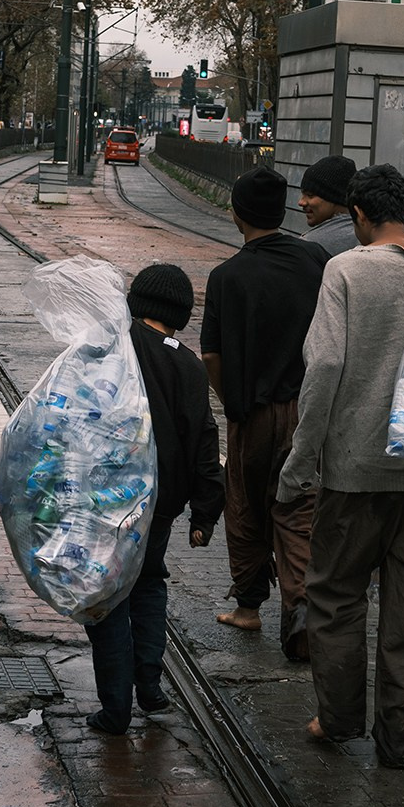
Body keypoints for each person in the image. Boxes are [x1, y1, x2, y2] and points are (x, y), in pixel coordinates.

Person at [278, 164, 404, 769]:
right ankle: (400, 736)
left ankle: (339, 717)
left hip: (356, 467)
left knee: (335, 594)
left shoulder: (347, 270)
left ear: (358, 214)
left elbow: (324, 368)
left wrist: (300, 461)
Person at [85, 263, 225, 733]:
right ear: (182, 314)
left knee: (108, 596)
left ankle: (115, 708)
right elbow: (205, 442)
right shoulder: (188, 364)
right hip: (161, 503)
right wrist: (206, 511)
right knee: (147, 582)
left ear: (136, 302)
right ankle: (150, 687)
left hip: (110, 498)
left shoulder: (110, 350)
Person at [200, 164, 327, 654]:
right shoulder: (315, 258)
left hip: (251, 413)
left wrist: (229, 399)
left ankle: (249, 607)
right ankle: (300, 609)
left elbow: (211, 354)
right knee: (297, 510)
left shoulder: (227, 276)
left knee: (246, 506)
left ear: (236, 214)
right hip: (307, 410)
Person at [298, 155, 359, 257]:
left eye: (310, 195)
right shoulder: (368, 234)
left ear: (335, 197)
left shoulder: (310, 246)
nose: (301, 202)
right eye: (303, 194)